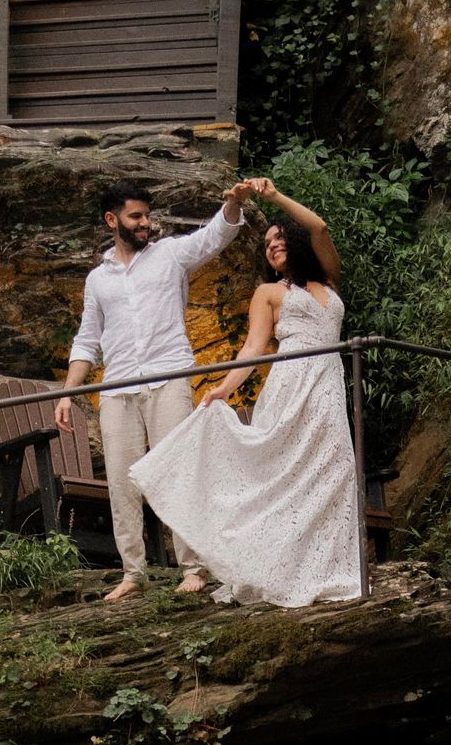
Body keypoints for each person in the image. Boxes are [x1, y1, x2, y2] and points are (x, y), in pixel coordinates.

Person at [130, 177, 361, 611]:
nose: (272, 246)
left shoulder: (329, 279)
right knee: (284, 481)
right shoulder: (269, 293)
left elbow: (320, 228)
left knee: (335, 472)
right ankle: (275, 569)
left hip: (327, 385)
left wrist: (272, 198)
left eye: (279, 239)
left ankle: (327, 570)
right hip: (290, 385)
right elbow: (253, 349)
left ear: (294, 242)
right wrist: (221, 388)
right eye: (267, 243)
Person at [57, 176, 251, 604]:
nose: (146, 222)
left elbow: (214, 237)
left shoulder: (169, 255)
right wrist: (67, 393)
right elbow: (87, 340)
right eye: (136, 216)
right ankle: (133, 572)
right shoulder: (98, 279)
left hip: (168, 377)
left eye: (147, 215)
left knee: (177, 471)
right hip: (117, 387)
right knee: (123, 482)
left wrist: (234, 203)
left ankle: (193, 569)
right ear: (113, 220)